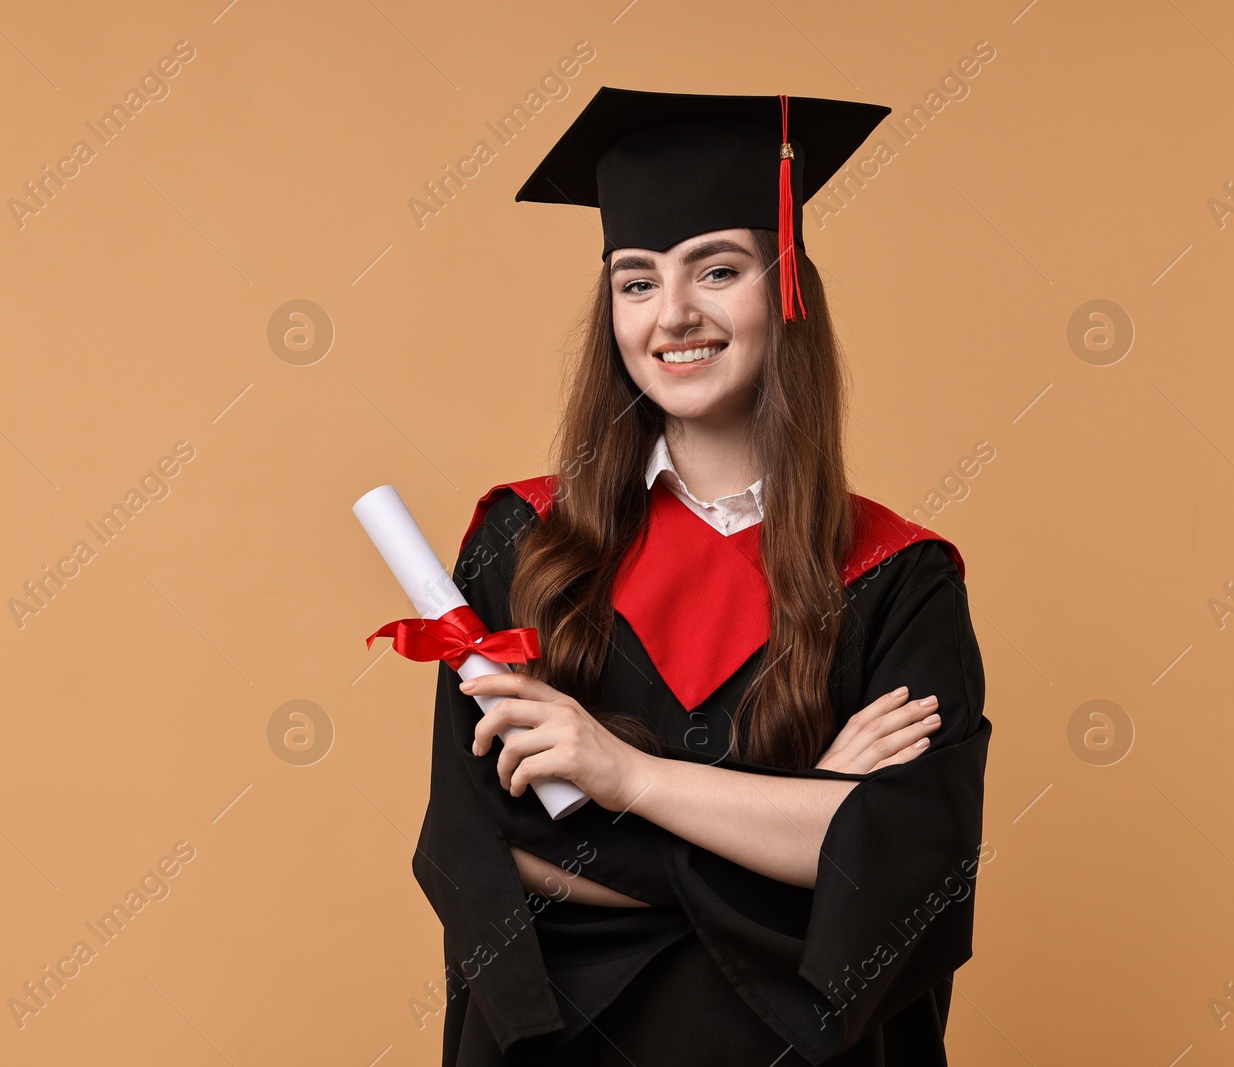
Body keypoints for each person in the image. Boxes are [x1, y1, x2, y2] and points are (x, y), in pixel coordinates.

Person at [408, 88, 992, 1065]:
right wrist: (808, 816)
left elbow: (908, 876)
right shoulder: (523, 549)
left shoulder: (901, 577)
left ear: (786, 288)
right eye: (635, 282)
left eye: (715, 269)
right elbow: (487, 850)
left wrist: (623, 776)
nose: (672, 313)